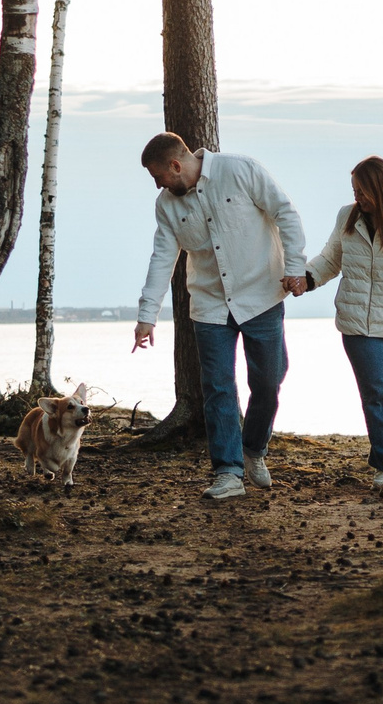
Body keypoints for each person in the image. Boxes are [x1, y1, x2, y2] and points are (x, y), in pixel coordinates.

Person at [131, 132, 308, 500]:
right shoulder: (166, 205)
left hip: (262, 295)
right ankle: (228, 471)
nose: (157, 184)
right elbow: (162, 258)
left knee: (269, 381)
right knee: (218, 388)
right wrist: (147, 315)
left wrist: (295, 267)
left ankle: (254, 449)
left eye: (158, 175)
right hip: (210, 304)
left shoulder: (241, 170)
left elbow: (285, 214)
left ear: (176, 165)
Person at [293, 156, 383, 501]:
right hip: (359, 325)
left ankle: (382, 462)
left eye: (363, 190)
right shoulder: (348, 217)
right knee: (382, 394)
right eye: (354, 190)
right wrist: (307, 278)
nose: (357, 197)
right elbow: (331, 258)